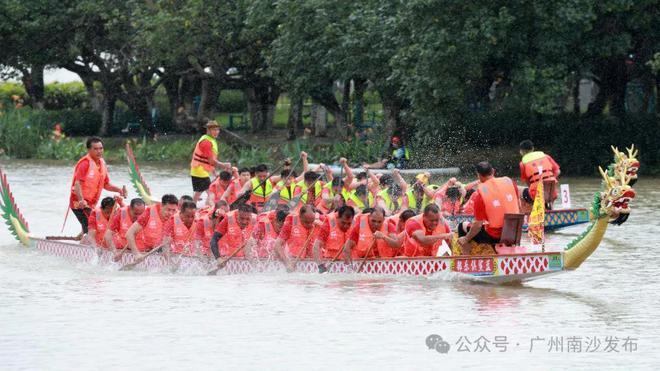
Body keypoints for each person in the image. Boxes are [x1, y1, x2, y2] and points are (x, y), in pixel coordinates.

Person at [457, 162, 520, 254]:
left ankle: (467, 259)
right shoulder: (510, 182)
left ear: (478, 175)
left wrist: (466, 238)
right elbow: (519, 205)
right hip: (515, 232)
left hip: (495, 236)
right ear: (493, 171)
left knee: (461, 226)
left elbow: (478, 225)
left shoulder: (480, 194)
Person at [69, 137, 127, 236]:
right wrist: (81, 200)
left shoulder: (102, 163)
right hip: (79, 203)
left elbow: (106, 184)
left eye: (101, 148)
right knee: (93, 228)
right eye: (95, 149)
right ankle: (86, 244)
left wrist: (119, 190)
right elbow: (77, 184)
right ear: (89, 150)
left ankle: (81, 236)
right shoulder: (85, 163)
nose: (99, 151)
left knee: (94, 225)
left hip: (91, 204)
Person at [125, 194, 179, 261]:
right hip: (148, 250)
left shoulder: (178, 215)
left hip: (166, 249)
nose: (171, 213)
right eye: (168, 210)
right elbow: (129, 233)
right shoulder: (149, 212)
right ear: (162, 205)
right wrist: (136, 254)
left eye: (173, 210)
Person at [190, 120, 231, 203]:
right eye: (214, 130)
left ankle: (193, 206)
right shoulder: (206, 142)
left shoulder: (211, 140)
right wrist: (224, 165)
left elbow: (209, 160)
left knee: (200, 192)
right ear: (208, 130)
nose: (216, 132)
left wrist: (214, 172)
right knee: (210, 192)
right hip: (199, 170)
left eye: (217, 130)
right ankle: (209, 208)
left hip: (200, 170)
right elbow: (211, 161)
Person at [273, 205, 318, 269]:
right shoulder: (290, 221)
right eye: (306, 222)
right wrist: (287, 264)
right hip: (294, 262)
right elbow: (277, 245)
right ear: (300, 217)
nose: (310, 225)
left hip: (312, 264)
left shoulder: (319, 222)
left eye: (312, 222)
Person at [518, 140, 561, 209]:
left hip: (536, 194)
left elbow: (527, 181)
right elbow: (558, 171)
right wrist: (551, 179)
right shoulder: (546, 156)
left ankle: (528, 214)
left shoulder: (522, 163)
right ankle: (550, 209)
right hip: (552, 193)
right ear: (533, 149)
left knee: (519, 191)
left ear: (521, 151)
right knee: (547, 195)